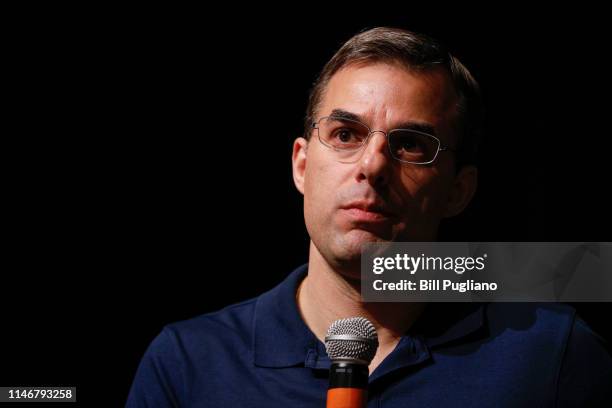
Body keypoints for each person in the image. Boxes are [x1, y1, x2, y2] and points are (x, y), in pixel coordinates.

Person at [126, 27, 612, 407]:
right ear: (301, 165)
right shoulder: (188, 363)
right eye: (345, 134)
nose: (373, 165)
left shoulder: (551, 356)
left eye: (410, 145)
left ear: (458, 192)